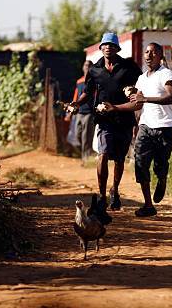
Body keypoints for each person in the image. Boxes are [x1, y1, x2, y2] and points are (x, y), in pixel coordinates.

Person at [68, 32, 142, 219]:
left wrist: (133, 91)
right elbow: (88, 92)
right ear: (100, 48)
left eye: (111, 45)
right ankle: (101, 195)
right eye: (105, 45)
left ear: (117, 48)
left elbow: (141, 84)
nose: (108, 47)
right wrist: (76, 103)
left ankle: (114, 190)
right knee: (102, 155)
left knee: (119, 159)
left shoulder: (128, 66)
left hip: (124, 118)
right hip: (104, 120)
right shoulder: (95, 70)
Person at [130, 43, 172, 217]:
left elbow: (171, 96)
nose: (148, 55)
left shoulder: (166, 74)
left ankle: (162, 178)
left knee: (160, 164)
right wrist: (135, 120)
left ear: (160, 56)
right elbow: (137, 102)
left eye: (153, 52)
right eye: (146, 52)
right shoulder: (141, 78)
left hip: (165, 127)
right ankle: (148, 205)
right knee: (140, 163)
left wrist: (145, 99)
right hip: (145, 126)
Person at [66, 60, 95, 162]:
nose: (87, 67)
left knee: (86, 136)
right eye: (85, 65)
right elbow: (76, 96)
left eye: (89, 65)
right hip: (79, 112)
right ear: (83, 67)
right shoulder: (79, 81)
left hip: (89, 113)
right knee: (78, 135)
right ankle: (86, 154)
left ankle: (85, 159)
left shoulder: (94, 80)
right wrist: (70, 111)